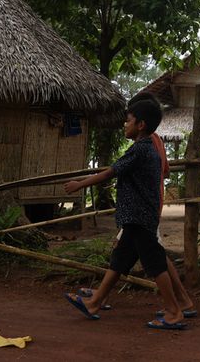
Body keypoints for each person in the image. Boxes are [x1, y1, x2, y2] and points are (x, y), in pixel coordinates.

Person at [63, 98, 188, 330]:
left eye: (128, 121)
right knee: (120, 261)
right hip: (136, 216)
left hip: (139, 216)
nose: (124, 124)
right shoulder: (148, 148)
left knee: (155, 263)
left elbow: (109, 173)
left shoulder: (140, 150)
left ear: (140, 125)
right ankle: (95, 303)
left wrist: (79, 184)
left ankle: (174, 311)